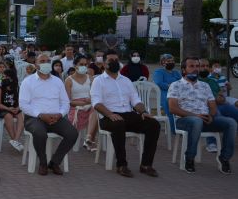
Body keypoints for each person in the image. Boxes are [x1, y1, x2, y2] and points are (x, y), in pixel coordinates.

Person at [90, 50, 160, 178]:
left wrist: (143, 112)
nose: (114, 63)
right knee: (118, 123)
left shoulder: (126, 80)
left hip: (127, 114)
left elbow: (136, 100)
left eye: (116, 60)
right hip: (108, 116)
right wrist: (110, 114)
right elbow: (96, 103)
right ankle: (121, 165)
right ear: (104, 64)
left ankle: (146, 165)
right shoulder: (99, 81)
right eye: (111, 61)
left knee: (153, 124)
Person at [168, 56, 236, 174]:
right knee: (196, 121)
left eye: (197, 66)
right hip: (184, 120)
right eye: (191, 66)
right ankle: (189, 158)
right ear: (184, 70)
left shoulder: (205, 86)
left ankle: (224, 158)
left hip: (204, 120)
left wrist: (211, 115)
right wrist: (194, 115)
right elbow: (173, 108)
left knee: (231, 123)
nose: (195, 69)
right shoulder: (176, 85)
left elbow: (213, 106)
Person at [19, 53, 77, 175]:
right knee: (40, 133)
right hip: (35, 118)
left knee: (72, 133)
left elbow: (65, 102)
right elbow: (23, 105)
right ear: (36, 65)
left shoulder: (57, 81)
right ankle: (43, 162)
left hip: (56, 117)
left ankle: (55, 162)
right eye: (42, 61)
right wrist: (40, 115)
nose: (45, 63)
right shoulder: (28, 81)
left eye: (48, 61)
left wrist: (60, 114)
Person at [65, 54, 94, 149]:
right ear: (75, 65)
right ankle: (86, 139)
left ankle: (89, 137)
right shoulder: (69, 80)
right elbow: (68, 101)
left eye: (86, 64)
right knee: (82, 112)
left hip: (90, 105)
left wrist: (89, 100)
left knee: (96, 109)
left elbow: (95, 96)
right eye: (81, 64)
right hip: (75, 106)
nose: (84, 67)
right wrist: (82, 103)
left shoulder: (90, 78)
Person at [0, 68, 24, 152]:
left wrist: (17, 108)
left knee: (21, 116)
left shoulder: (17, 87)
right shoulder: (0, 88)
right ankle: (15, 140)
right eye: (3, 76)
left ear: (12, 78)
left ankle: (16, 140)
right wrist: (8, 108)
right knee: (8, 116)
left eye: (6, 76)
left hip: (14, 108)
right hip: (2, 109)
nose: (4, 78)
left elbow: (21, 101)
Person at [153, 54, 182, 136]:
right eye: (168, 61)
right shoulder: (159, 72)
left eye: (172, 61)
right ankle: (174, 130)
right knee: (171, 110)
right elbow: (159, 83)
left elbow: (181, 82)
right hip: (165, 94)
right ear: (163, 62)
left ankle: (182, 128)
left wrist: (173, 85)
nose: (171, 62)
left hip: (178, 94)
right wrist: (171, 86)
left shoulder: (176, 72)